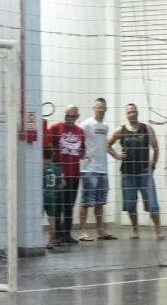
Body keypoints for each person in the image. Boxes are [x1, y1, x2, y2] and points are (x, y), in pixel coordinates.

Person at [108, 103, 164, 240]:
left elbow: (156, 148)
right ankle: (135, 230)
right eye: (129, 112)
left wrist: (153, 166)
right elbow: (107, 144)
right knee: (130, 204)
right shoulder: (120, 130)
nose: (132, 114)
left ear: (137, 112)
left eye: (133, 111)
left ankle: (158, 230)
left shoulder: (147, 129)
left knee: (152, 203)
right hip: (128, 173)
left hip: (145, 172)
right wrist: (116, 155)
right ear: (126, 115)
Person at [77, 98, 117, 241]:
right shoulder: (86, 124)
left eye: (103, 107)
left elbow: (105, 145)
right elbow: (77, 139)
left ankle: (100, 229)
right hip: (89, 168)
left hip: (103, 169)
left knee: (100, 201)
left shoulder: (105, 127)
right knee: (86, 201)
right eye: (98, 107)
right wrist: (82, 153)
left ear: (106, 109)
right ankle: (82, 231)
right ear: (93, 108)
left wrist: (116, 155)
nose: (101, 109)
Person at [46, 104, 85, 245]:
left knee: (69, 206)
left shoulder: (80, 131)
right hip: (59, 174)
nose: (69, 119)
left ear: (77, 117)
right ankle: (56, 235)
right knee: (57, 205)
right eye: (67, 115)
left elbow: (82, 150)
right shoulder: (55, 129)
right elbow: (46, 147)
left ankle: (67, 234)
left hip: (74, 174)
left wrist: (80, 155)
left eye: (72, 116)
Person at [43, 148, 65, 250]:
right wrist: (56, 188)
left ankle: (34, 242)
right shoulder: (57, 169)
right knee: (52, 219)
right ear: (52, 156)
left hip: (41, 195)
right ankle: (50, 242)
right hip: (52, 195)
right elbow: (63, 183)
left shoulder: (40, 168)